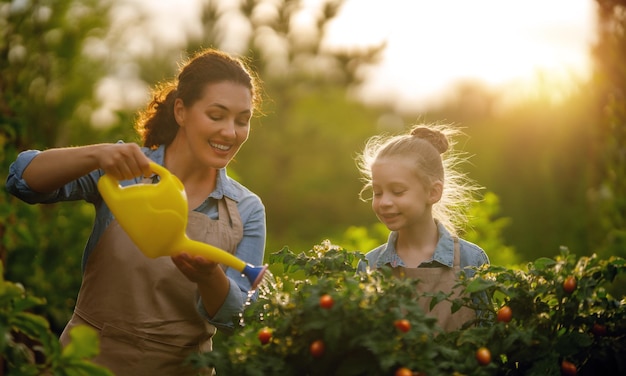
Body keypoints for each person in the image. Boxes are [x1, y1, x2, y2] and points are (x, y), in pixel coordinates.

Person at [5, 48, 266, 375]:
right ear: (181, 112)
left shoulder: (245, 209)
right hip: (87, 364)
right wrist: (98, 154)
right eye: (217, 116)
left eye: (243, 120)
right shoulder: (122, 169)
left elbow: (237, 316)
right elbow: (22, 180)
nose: (231, 132)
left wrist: (210, 278)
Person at [355, 124, 489, 332]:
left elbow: (489, 339)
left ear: (433, 193)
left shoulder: (471, 260)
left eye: (397, 191)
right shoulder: (369, 265)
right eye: (378, 192)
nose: (384, 202)